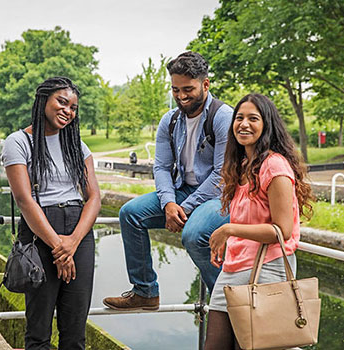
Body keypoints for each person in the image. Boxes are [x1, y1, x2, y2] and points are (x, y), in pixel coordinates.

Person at [103, 51, 233, 311]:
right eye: (176, 90)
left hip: (220, 196)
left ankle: (225, 300)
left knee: (194, 234)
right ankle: (145, 291)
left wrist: (183, 208)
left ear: (205, 85)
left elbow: (222, 175)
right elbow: (161, 167)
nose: (182, 96)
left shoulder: (223, 117)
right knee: (130, 213)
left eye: (188, 89)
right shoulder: (170, 120)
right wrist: (169, 204)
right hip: (182, 192)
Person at [204, 93, 314, 349]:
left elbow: (282, 230)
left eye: (253, 118)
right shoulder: (242, 164)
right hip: (234, 267)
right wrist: (228, 244)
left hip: (266, 267)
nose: (244, 124)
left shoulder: (274, 166)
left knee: (254, 345)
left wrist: (229, 230)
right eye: (239, 118)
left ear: (267, 125)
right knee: (216, 343)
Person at [1, 76, 101, 350]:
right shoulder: (18, 142)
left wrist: (72, 243)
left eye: (73, 107)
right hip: (39, 233)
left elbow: (93, 198)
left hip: (78, 234)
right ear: (44, 99)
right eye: (62, 102)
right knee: (38, 331)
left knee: (75, 330)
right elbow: (24, 200)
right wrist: (59, 247)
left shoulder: (77, 146)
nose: (68, 111)